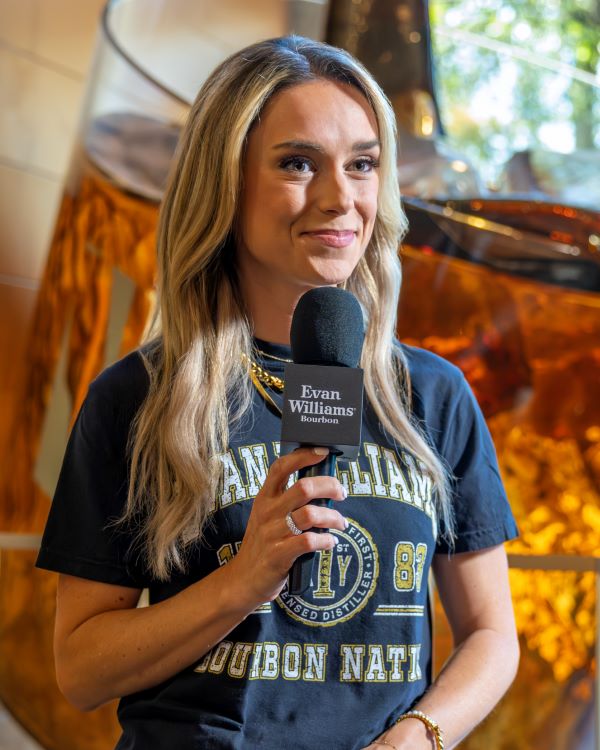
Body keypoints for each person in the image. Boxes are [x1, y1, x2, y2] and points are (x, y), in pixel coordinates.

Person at [37, 35, 519, 750]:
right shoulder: (137, 399)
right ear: (225, 183)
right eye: (298, 163)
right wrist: (241, 582)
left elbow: (491, 636)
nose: (340, 198)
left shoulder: (433, 395)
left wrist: (414, 739)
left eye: (362, 165)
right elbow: (80, 670)